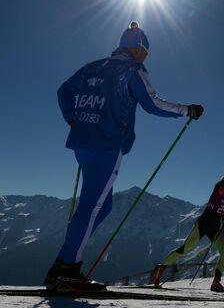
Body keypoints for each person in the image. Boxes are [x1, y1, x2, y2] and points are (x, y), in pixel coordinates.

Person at [44, 22, 204, 292]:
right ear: (139, 48)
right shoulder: (131, 70)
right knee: (93, 206)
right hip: (108, 143)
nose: (146, 57)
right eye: (146, 52)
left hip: (83, 142)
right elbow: (152, 104)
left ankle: (61, 265)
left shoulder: (91, 67)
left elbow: (63, 91)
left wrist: (73, 119)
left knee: (100, 206)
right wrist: (186, 110)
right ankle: (68, 271)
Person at [150, 165, 224, 293]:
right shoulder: (221, 184)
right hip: (204, 222)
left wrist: (223, 227)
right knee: (184, 249)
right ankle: (161, 269)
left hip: (215, 226)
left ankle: (216, 283)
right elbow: (222, 191)